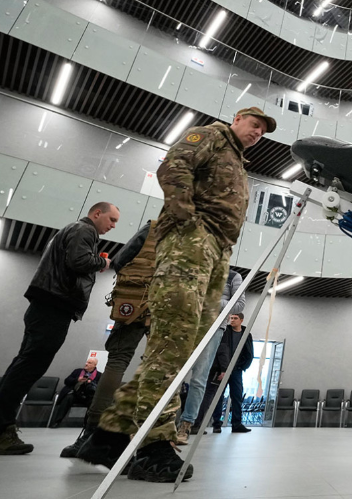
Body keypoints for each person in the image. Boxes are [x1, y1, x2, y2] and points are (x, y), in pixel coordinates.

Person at [78, 108, 276, 483]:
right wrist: (186, 219)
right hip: (191, 246)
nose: (257, 133)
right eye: (255, 125)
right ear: (237, 119)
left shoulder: (237, 160)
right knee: (173, 345)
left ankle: (110, 436)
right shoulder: (213, 137)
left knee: (182, 349)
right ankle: (154, 445)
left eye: (263, 131)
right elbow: (174, 165)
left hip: (215, 252)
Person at [0, 202, 118, 455]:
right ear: (97, 213)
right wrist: (101, 262)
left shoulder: (73, 230)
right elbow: (79, 261)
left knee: (23, 366)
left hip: (47, 303)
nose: (113, 225)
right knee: (28, 367)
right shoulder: (85, 230)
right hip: (54, 304)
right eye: (112, 219)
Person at [61, 220, 156, 457]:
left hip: (136, 303)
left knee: (117, 361)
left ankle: (92, 434)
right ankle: (153, 444)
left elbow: (120, 260)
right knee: (160, 369)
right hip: (174, 311)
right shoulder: (203, 233)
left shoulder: (155, 227)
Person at [176, 269, 246, 444]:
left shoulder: (233, 277)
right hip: (186, 323)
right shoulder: (197, 266)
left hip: (213, 328)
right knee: (172, 375)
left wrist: (208, 300)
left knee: (199, 378)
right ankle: (164, 422)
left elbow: (239, 305)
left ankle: (187, 424)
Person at [207, 313, 254, 434]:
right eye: (231, 318)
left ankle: (236, 424)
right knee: (218, 396)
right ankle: (216, 424)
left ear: (241, 320)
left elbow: (249, 352)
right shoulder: (225, 332)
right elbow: (219, 350)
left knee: (237, 396)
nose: (232, 320)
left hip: (237, 370)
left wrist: (243, 366)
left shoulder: (246, 334)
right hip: (222, 369)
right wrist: (220, 368)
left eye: (235, 318)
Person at [50, 358, 100, 428]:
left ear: (94, 365)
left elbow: (99, 387)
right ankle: (56, 422)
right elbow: (67, 381)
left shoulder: (99, 375)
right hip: (75, 393)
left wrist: (91, 382)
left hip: (88, 396)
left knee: (93, 403)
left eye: (89, 363)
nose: (86, 364)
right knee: (68, 398)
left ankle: (87, 424)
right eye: (87, 362)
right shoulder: (77, 371)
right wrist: (77, 379)